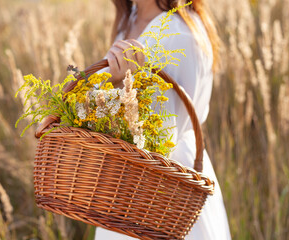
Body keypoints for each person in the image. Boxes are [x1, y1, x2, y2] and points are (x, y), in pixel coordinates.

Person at [95, 0, 231, 239]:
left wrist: (115, 86)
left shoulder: (178, 34)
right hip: (126, 186)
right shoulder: (131, 17)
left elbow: (157, 138)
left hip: (164, 193)